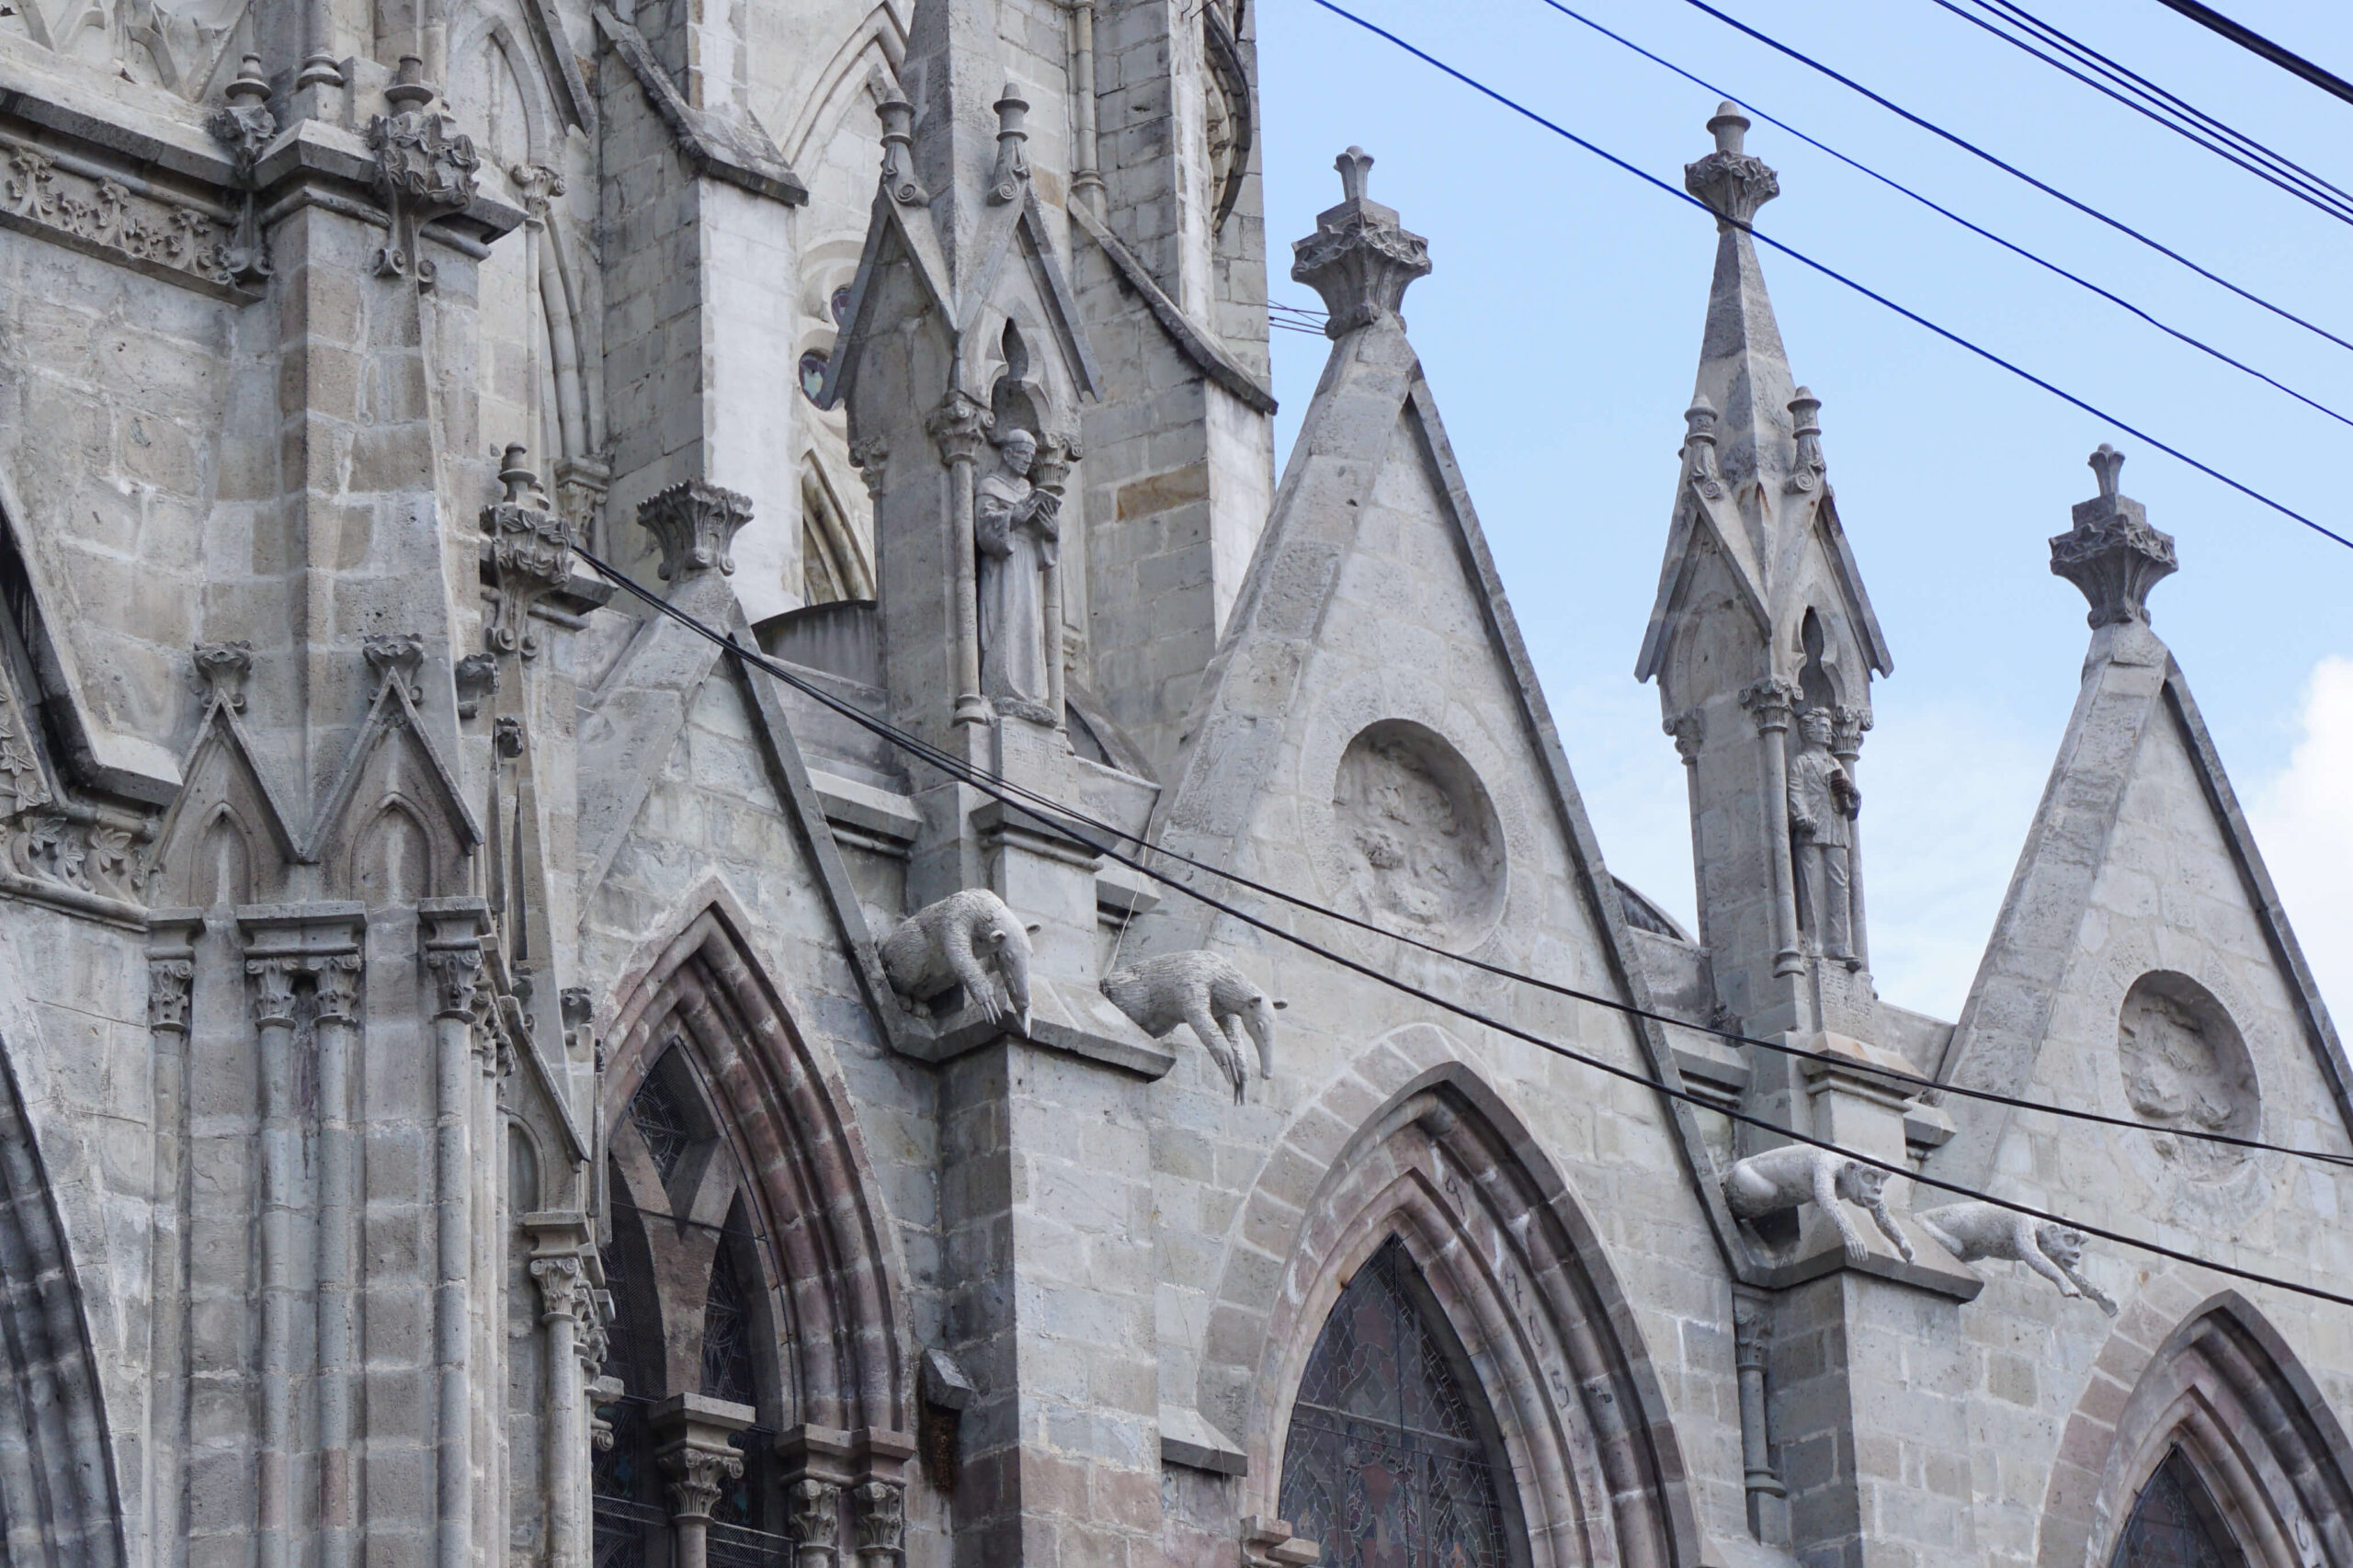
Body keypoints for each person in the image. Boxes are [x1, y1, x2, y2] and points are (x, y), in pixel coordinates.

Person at [975, 428, 1058, 717]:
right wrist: (1011, 518)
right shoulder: (990, 485)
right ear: (1008, 454)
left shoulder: (1026, 489)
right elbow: (983, 526)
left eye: (1031, 458)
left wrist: (1050, 533)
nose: (1027, 463)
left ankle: (1032, 693)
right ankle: (1003, 687)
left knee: (1030, 622)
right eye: (1023, 456)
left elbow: (1044, 553)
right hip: (1003, 565)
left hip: (1026, 563)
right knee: (1004, 618)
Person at [1786, 706, 1859, 962]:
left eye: (1829, 728)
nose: (1828, 732)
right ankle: (1815, 943)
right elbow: (1795, 793)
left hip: (1837, 831)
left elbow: (1850, 806)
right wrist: (1802, 816)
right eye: (1822, 728)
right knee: (1812, 888)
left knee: (1839, 888)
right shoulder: (1802, 763)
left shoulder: (1835, 763)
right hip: (1811, 832)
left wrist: (1854, 798)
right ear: (1808, 731)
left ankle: (1840, 945)